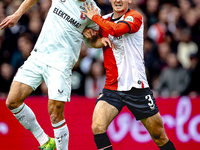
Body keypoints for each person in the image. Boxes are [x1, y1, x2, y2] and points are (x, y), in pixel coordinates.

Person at [0, 0, 108, 149]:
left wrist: (96, 38)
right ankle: (45, 141)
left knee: (55, 113)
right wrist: (17, 14)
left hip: (61, 63)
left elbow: (91, 42)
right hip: (39, 56)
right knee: (12, 101)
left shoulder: (93, 10)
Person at [81, 1, 176, 150]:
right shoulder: (103, 19)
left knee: (159, 136)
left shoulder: (135, 16)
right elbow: (92, 42)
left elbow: (117, 30)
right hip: (112, 88)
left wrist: (95, 18)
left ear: (129, 0)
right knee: (97, 127)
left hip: (137, 87)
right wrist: (89, 37)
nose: (118, 0)